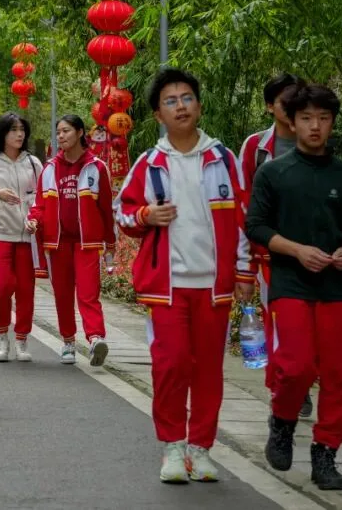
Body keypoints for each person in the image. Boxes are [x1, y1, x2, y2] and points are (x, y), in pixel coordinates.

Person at [116, 68, 254, 484]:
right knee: (171, 365)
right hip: (167, 287)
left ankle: (202, 449)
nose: (181, 106)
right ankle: (173, 447)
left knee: (209, 369)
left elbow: (245, 218)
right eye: (171, 101)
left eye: (187, 98)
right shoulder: (151, 163)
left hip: (215, 287)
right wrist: (146, 215)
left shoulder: (223, 159)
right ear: (158, 114)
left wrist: (245, 270)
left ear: (199, 105)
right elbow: (122, 213)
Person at [246, 83, 342, 491]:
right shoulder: (274, 172)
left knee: (340, 374)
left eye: (323, 119)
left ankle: (325, 452)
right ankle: (282, 421)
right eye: (307, 119)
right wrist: (295, 250)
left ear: (332, 123)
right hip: (290, 281)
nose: (315, 126)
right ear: (291, 123)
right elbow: (256, 225)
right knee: (295, 366)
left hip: (335, 285)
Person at [238, 74, 309, 411]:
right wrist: (245, 260)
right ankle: (283, 384)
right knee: (278, 317)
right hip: (269, 251)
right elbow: (243, 201)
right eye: (285, 100)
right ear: (269, 106)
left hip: (314, 249)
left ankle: (298, 379)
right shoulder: (255, 148)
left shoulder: (314, 139)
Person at [27, 114, 114, 366]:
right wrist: (34, 219)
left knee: (88, 293)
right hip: (57, 243)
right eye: (58, 132)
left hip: (88, 243)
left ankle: (96, 338)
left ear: (79, 133)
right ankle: (67, 341)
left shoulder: (96, 167)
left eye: (66, 131)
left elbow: (106, 209)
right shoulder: (50, 168)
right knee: (63, 294)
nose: (61, 136)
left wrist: (110, 243)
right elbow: (40, 204)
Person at [0, 113, 44, 363]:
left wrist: (36, 218)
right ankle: (1, 335)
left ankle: (22, 338)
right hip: (0, 232)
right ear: (2, 134)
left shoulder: (33, 163)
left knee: (26, 290)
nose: (19, 135)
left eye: (22, 130)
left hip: (27, 235)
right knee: (1, 286)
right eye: (13, 130)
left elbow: (43, 196)